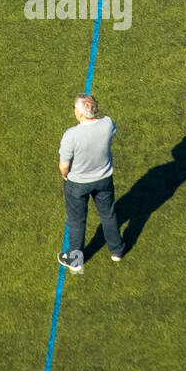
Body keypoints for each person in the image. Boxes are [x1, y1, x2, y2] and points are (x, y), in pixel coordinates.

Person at [57, 94, 124, 273]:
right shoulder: (108, 124)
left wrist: (66, 175)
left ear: (80, 113)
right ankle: (117, 250)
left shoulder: (71, 135)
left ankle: (76, 260)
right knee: (108, 214)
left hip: (77, 184)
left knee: (76, 220)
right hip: (103, 179)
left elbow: (64, 166)